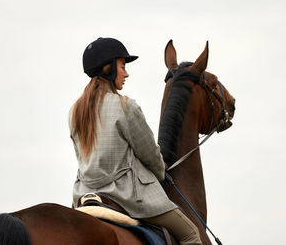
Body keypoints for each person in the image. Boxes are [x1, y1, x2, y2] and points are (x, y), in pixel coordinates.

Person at [69, 37, 202, 245]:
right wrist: (161, 170)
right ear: (108, 69)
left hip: (85, 196)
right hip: (128, 197)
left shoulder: (74, 112)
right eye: (122, 66)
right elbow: (149, 152)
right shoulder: (125, 106)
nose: (126, 73)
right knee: (191, 233)